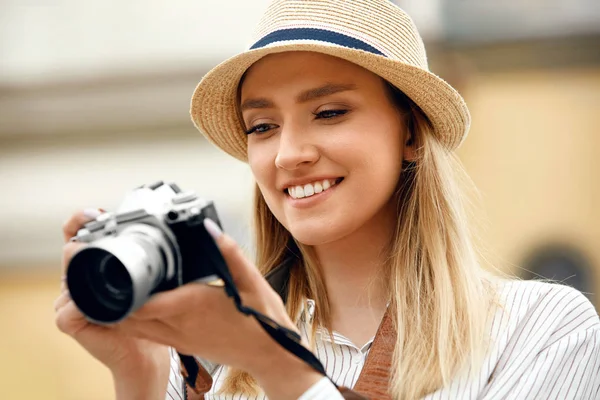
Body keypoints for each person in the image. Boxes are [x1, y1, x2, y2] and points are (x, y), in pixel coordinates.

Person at [55, 0, 600, 399]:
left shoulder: (543, 331)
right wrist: (139, 374)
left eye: (330, 112)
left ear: (410, 132)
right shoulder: (203, 362)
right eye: (262, 126)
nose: (288, 154)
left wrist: (277, 364)